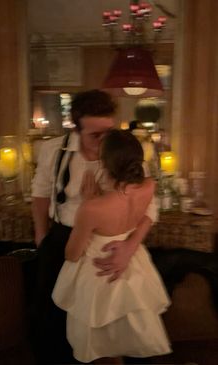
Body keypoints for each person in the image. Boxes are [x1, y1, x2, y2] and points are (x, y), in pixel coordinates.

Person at [31, 89, 158, 364]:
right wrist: (41, 236)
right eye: (94, 135)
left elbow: (149, 207)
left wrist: (129, 247)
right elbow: (40, 193)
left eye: (108, 132)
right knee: (54, 318)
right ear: (77, 129)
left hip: (112, 245)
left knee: (114, 323)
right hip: (65, 238)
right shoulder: (53, 150)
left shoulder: (125, 151)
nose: (104, 141)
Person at [52, 129, 171, 364]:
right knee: (117, 339)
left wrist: (89, 203)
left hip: (99, 273)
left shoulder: (92, 208)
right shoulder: (148, 185)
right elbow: (146, 217)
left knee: (99, 344)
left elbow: (72, 254)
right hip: (133, 265)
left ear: (104, 163)